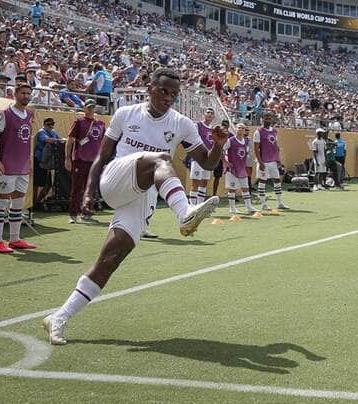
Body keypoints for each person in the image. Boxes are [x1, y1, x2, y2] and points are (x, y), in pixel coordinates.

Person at [42, 69, 227, 345]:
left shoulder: (183, 123)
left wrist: (218, 145)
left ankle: (59, 317)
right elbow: (101, 156)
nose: (168, 98)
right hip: (116, 178)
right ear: (149, 87)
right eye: (164, 91)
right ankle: (185, 213)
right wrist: (88, 193)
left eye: (174, 94)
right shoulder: (125, 114)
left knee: (109, 261)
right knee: (161, 159)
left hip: (142, 194)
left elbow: (208, 163)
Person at [0, 81, 37, 254]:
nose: (26, 96)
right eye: (23, 93)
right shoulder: (5, 114)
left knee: (18, 202)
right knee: (1, 201)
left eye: (28, 94)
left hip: (22, 166)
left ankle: (15, 239)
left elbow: (26, 140)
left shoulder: (30, 114)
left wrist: (28, 162)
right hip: (6, 165)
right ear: (15, 94)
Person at [64, 100, 105, 224]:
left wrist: (103, 160)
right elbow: (70, 140)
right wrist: (67, 158)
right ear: (84, 108)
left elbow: (103, 143)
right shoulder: (79, 122)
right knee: (77, 188)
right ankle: (73, 214)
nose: (91, 109)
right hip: (80, 159)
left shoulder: (101, 124)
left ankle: (87, 213)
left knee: (91, 188)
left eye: (93, 107)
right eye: (89, 107)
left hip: (94, 161)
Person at [253, 111, 288, 210]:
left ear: (272, 119)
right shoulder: (258, 132)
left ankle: (280, 203)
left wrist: (278, 159)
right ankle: (264, 204)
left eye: (270, 118)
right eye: (266, 118)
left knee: (277, 180)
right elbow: (256, 148)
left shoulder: (274, 131)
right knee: (262, 181)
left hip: (273, 161)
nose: (268, 119)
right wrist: (260, 162)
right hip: (263, 161)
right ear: (262, 119)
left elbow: (276, 146)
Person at [223, 123, 257, 216]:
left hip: (242, 168)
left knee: (245, 188)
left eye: (243, 128)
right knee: (232, 189)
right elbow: (222, 150)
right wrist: (225, 162)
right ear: (236, 129)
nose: (241, 129)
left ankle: (249, 207)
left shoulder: (246, 141)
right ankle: (232, 208)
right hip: (232, 169)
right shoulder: (230, 140)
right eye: (239, 128)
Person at [189, 108, 216, 205]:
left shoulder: (213, 130)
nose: (210, 114)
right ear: (204, 114)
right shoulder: (198, 125)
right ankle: (192, 206)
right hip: (198, 158)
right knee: (195, 182)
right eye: (208, 112)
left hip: (208, 160)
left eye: (212, 113)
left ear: (213, 117)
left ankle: (200, 205)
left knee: (204, 182)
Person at [33, 117, 61, 206]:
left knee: (48, 185)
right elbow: (48, 140)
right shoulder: (41, 132)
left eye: (52, 124)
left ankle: (37, 202)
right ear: (44, 125)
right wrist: (58, 140)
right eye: (48, 124)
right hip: (39, 161)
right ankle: (33, 204)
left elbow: (60, 140)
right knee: (36, 184)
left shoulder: (53, 132)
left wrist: (58, 140)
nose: (51, 126)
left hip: (47, 162)